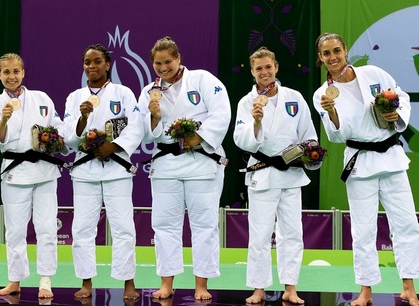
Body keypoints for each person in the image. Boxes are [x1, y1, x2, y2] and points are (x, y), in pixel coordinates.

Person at [313, 33, 419, 306]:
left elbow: (401, 97)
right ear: (320, 58)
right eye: (326, 53)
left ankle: (408, 286)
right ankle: (366, 291)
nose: (333, 57)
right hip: (360, 162)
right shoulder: (322, 95)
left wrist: (397, 116)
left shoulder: (373, 73)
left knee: (407, 224)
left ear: (345, 50)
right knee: (363, 230)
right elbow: (337, 136)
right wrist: (332, 113)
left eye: (337, 50)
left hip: (392, 159)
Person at [138, 36, 231, 300]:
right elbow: (145, 134)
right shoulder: (149, 91)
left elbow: (221, 113)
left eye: (168, 61)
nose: (163, 67)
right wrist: (154, 117)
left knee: (204, 225)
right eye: (158, 63)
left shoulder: (203, 80)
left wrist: (200, 136)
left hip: (201, 162)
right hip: (167, 165)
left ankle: (201, 285)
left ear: (179, 58)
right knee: (164, 225)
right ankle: (166, 283)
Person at [233, 46, 318, 304]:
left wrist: (311, 153)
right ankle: (259, 287)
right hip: (263, 174)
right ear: (252, 72)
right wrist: (256, 123)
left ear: (276, 67)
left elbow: (309, 135)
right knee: (260, 234)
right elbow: (240, 140)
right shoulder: (247, 103)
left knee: (292, 233)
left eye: (268, 67)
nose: (264, 72)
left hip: (291, 175)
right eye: (259, 68)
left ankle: (290, 287)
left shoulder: (295, 97)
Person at [0, 53, 68, 301]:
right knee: (15, 230)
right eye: (6, 72)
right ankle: (15, 280)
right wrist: (4, 120)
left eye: (16, 71)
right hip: (14, 171)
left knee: (46, 227)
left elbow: (57, 125)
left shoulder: (41, 98)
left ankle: (46, 280)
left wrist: (57, 139)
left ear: (23, 72)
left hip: (44, 170)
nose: (11, 77)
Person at [62, 44, 143, 300]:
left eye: (97, 61)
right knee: (83, 228)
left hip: (117, 169)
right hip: (85, 171)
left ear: (107, 64)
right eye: (87, 62)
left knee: (123, 227)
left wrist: (114, 146)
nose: (92, 66)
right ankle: (86, 281)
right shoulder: (75, 98)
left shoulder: (124, 93)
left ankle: (128, 282)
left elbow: (136, 127)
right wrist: (83, 119)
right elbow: (68, 137)